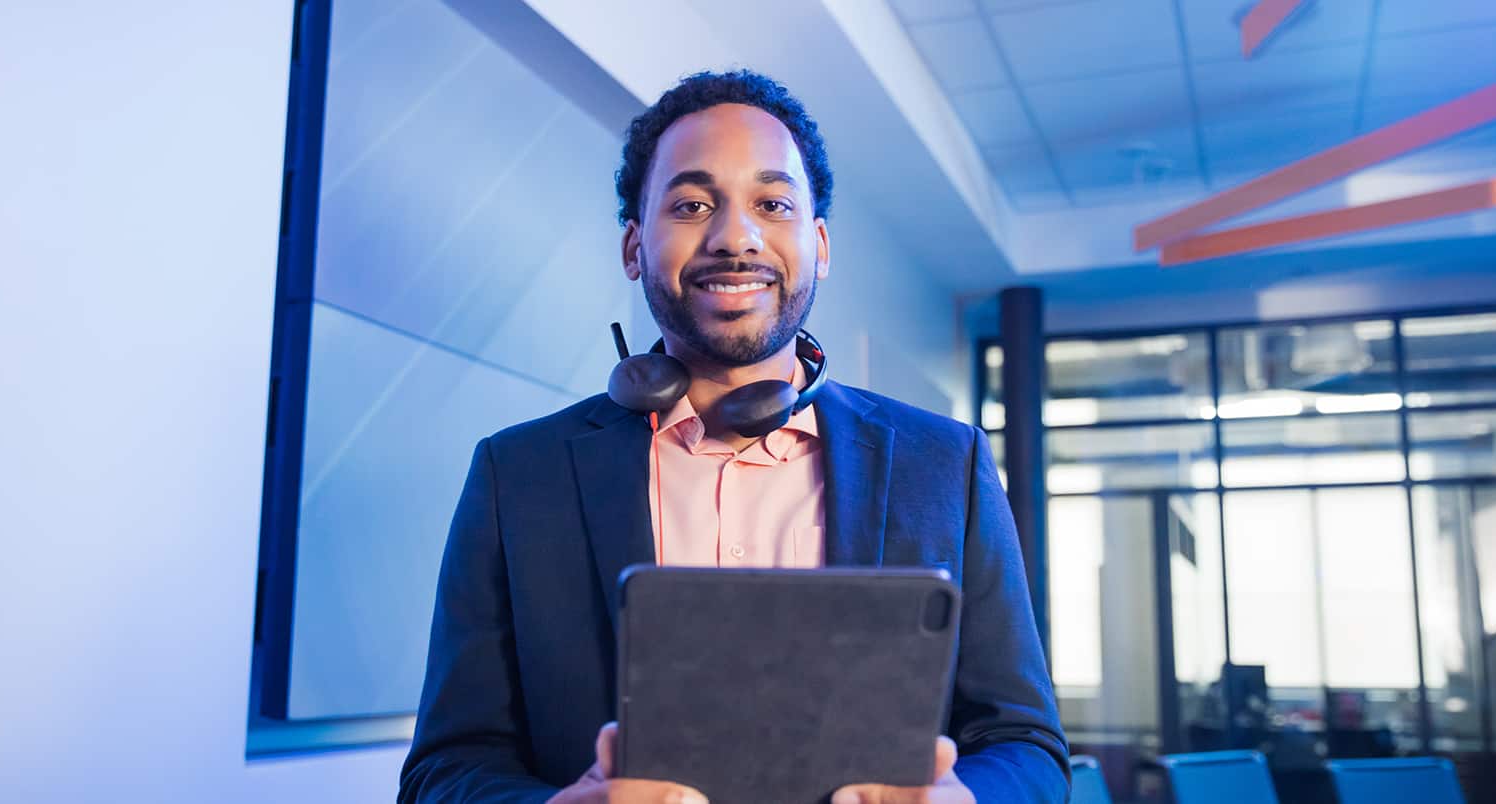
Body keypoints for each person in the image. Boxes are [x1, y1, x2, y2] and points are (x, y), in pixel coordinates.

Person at [398, 70, 1066, 804]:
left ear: (818, 244)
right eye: (691, 205)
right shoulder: (519, 474)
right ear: (633, 246)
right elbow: (445, 769)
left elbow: (1025, 746)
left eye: (771, 204)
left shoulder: (943, 463)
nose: (734, 238)